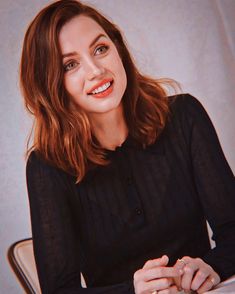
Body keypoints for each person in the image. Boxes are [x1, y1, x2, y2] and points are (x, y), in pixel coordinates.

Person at [20, 0, 235, 293]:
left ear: (118, 49)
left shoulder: (185, 116)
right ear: (51, 86)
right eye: (70, 65)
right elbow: (59, 290)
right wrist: (133, 290)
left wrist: (213, 267)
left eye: (100, 49)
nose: (96, 70)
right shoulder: (47, 167)